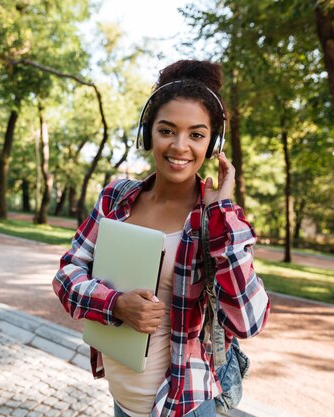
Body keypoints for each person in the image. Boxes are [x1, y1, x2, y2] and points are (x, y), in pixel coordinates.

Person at [53, 59, 270, 417]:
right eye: (167, 130)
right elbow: (67, 273)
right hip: (122, 397)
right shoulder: (115, 198)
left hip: (182, 405)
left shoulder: (217, 219)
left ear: (212, 143)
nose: (180, 146)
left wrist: (222, 213)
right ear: (148, 132)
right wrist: (116, 304)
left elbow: (248, 321)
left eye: (196, 134)